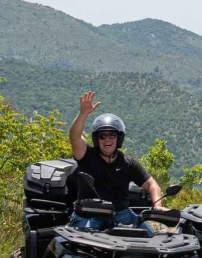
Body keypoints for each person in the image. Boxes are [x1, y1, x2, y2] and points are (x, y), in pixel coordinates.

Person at [67, 91, 166, 233]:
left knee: (149, 237)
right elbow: (75, 137)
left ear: (119, 138)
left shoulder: (128, 163)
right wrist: (83, 114)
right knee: (83, 245)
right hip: (89, 212)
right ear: (97, 139)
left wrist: (157, 204)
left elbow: (152, 184)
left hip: (121, 213)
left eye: (112, 135)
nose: (107, 139)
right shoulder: (87, 155)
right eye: (103, 135)